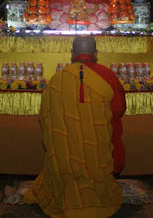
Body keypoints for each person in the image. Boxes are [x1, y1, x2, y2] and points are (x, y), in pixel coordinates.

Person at [24, 36, 126, 217]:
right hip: (96, 152)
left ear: (72, 53)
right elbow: (118, 109)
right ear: (96, 53)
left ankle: (67, 190)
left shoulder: (58, 79)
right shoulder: (108, 76)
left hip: (66, 156)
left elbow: (46, 116)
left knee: (66, 152)